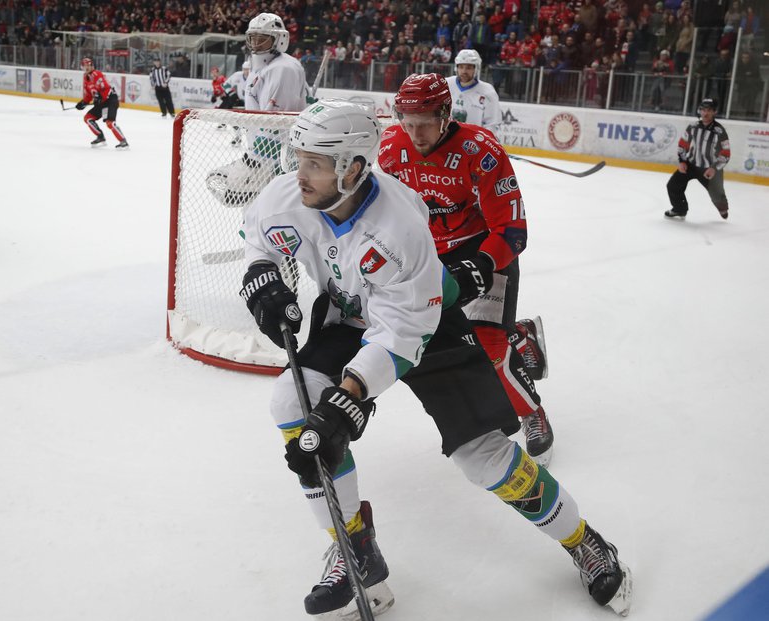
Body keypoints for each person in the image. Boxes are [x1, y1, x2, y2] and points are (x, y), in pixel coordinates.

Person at [240, 99, 632, 620]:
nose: (300, 173)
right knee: (292, 402)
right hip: (349, 313)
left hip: (425, 324)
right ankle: (355, 548)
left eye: (315, 162)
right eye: (299, 158)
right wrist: (260, 276)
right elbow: (258, 239)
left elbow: (405, 335)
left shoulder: (400, 228)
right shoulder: (289, 196)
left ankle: (583, 540)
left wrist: (350, 396)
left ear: (353, 167)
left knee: (484, 457)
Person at [379, 73, 554, 465]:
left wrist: (482, 265)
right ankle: (520, 337)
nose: (415, 132)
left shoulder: (482, 152)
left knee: (490, 346)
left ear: (445, 114)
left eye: (424, 121)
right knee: (448, 340)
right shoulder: (391, 148)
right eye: (407, 121)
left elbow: (512, 230)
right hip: (431, 254)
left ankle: (532, 412)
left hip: (485, 249)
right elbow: (385, 212)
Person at [206, 12, 307, 207]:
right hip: (263, 153)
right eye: (252, 38)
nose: (255, 44)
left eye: (262, 40)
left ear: (280, 40)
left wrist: (259, 162)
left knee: (267, 213)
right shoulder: (263, 66)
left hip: (276, 159)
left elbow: (277, 123)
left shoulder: (282, 68)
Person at [665, 98, 730, 220]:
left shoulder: (719, 131)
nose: (705, 113)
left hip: (709, 169)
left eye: (709, 110)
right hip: (691, 165)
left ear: (714, 112)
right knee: (673, 185)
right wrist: (682, 161)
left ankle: (723, 208)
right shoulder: (692, 127)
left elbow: (726, 153)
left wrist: (714, 168)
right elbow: (683, 144)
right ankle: (680, 209)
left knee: (718, 197)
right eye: (703, 110)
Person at [75, 57, 128, 149]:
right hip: (101, 102)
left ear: (92, 65)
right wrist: (83, 102)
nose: (87, 68)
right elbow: (89, 94)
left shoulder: (96, 74)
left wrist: (100, 97)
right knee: (88, 118)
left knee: (110, 123)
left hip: (110, 100)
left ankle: (123, 141)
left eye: (88, 65)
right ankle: (100, 137)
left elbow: (106, 88)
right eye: (85, 66)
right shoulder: (86, 78)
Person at [445, 49, 501, 134]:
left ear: (476, 68)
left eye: (468, 68)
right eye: (461, 67)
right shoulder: (446, 84)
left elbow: (492, 124)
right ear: (456, 68)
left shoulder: (488, 91)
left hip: (472, 143)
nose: (464, 71)